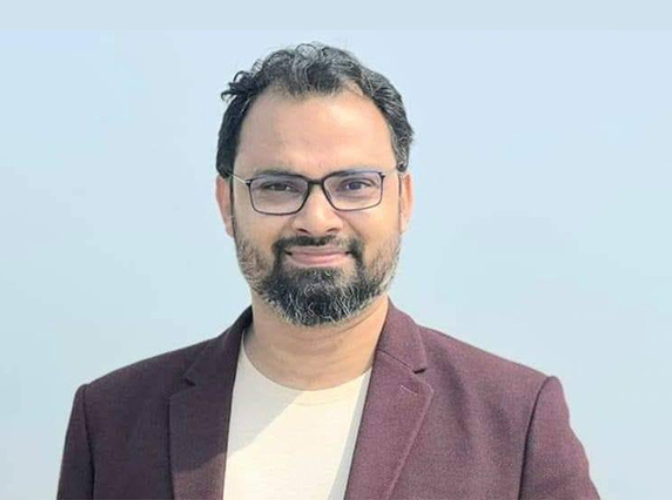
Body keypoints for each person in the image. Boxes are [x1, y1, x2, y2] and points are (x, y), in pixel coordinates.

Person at [57, 43, 600, 500]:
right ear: (227, 204)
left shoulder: (515, 421)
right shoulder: (112, 421)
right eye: (278, 187)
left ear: (404, 200)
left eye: (354, 185)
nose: (317, 219)